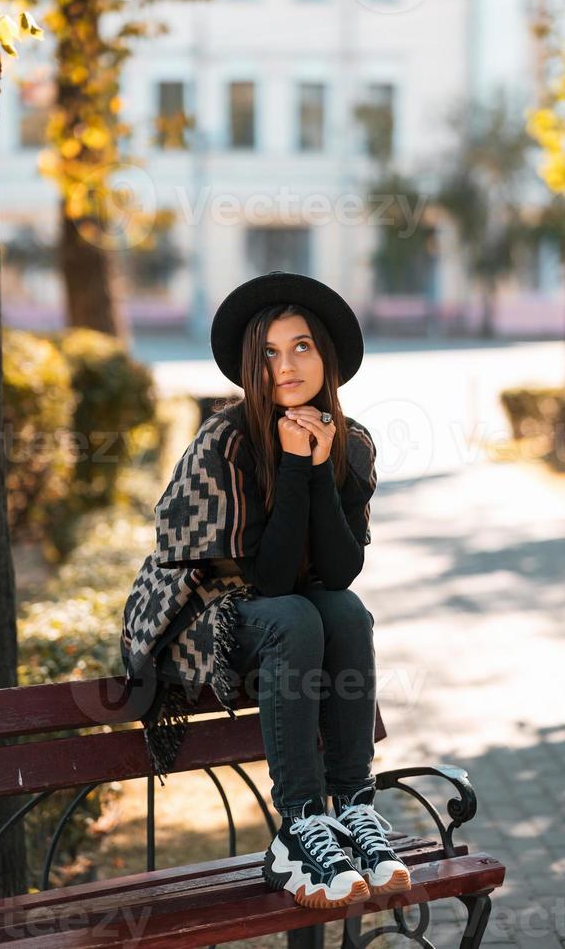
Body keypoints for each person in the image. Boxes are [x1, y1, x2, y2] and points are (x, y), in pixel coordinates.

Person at [120, 271, 411, 910]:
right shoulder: (224, 442)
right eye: (271, 353)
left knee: (345, 611)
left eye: (301, 346)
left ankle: (353, 804)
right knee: (297, 618)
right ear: (254, 365)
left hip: (287, 611)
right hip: (203, 614)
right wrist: (293, 465)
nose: (287, 366)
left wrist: (314, 465)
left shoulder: (352, 443)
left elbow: (336, 573)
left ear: (325, 356)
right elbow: (268, 580)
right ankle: (301, 822)